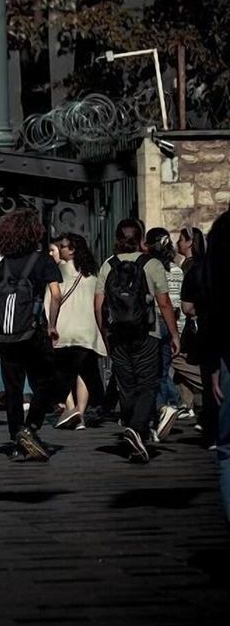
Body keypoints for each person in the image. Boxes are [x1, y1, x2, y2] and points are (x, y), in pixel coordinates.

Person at [94, 218, 180, 463]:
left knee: (127, 385)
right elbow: (164, 303)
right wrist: (173, 334)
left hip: (118, 335)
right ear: (141, 239)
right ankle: (136, 428)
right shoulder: (151, 264)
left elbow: (98, 306)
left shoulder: (108, 265)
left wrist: (105, 335)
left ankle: (137, 435)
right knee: (148, 384)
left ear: (117, 238)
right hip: (147, 333)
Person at [0, 210, 64, 461]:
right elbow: (56, 294)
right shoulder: (43, 261)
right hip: (33, 331)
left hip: (8, 335)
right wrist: (51, 324)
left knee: (13, 387)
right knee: (46, 381)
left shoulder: (2, 265)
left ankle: (16, 437)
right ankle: (30, 428)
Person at [181, 209, 229, 517]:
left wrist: (212, 361)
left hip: (227, 352)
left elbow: (209, 306)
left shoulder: (222, 235)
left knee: (228, 449)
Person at [49, 233, 105, 431]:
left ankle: (71, 410)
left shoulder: (58, 272)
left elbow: (52, 300)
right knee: (83, 371)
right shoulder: (92, 273)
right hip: (88, 329)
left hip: (65, 328)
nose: (60, 249)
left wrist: (50, 325)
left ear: (72, 249)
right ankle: (80, 413)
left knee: (62, 372)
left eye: (63, 246)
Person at [145, 227, 184, 440]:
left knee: (152, 372)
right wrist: (176, 330)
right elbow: (177, 303)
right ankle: (167, 407)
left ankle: (165, 407)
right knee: (163, 369)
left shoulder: (149, 268)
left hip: (153, 323)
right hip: (170, 323)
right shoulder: (177, 270)